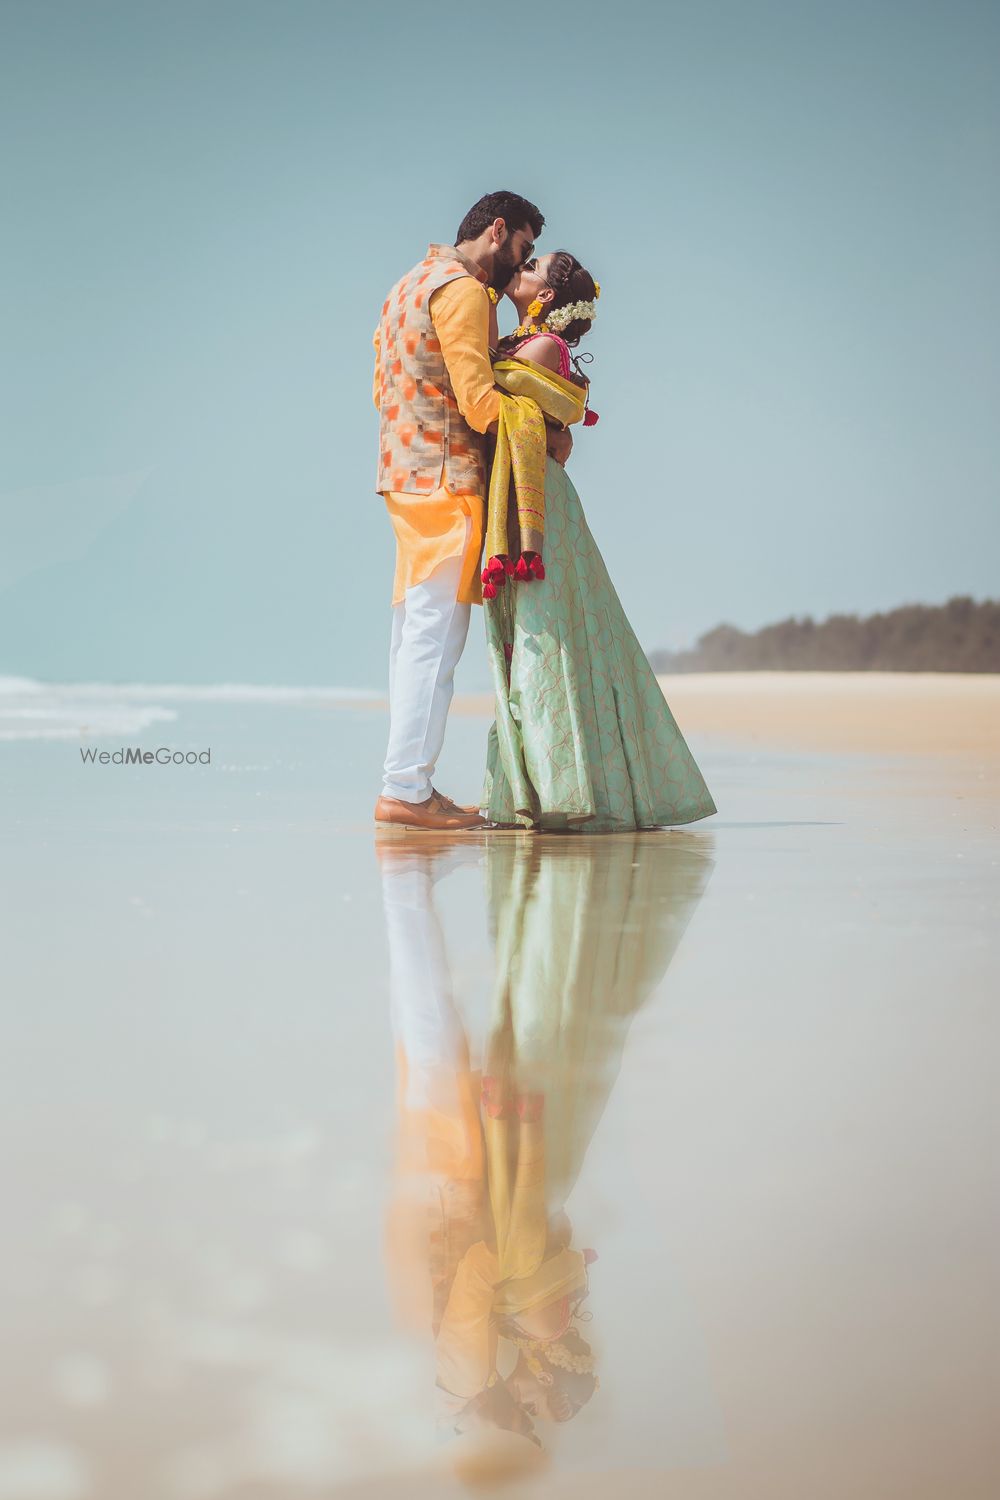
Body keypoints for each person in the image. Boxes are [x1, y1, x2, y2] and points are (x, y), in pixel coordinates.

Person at [479, 251, 719, 831]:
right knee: (534, 634)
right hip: (524, 495)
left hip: (542, 508)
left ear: (548, 297)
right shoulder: (522, 341)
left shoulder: (539, 351)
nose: (521, 266)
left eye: (533, 265)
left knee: (548, 633)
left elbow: (481, 385)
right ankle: (548, 785)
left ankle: (564, 790)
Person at [371, 191, 572, 834]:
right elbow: (480, 400)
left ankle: (407, 784)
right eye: (522, 248)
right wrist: (547, 423)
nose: (522, 263)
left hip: (401, 474)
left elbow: (384, 385)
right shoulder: (460, 291)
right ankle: (406, 789)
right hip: (445, 478)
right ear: (497, 231)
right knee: (434, 643)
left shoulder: (406, 285)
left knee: (412, 640)